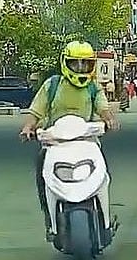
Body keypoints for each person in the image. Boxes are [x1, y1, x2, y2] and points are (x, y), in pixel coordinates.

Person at [19, 41, 120, 237]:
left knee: (103, 174)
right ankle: (50, 222)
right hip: (54, 142)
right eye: (76, 63)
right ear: (65, 63)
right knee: (42, 173)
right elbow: (36, 111)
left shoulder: (93, 87)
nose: (81, 68)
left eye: (86, 63)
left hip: (86, 141)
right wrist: (28, 128)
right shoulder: (52, 85)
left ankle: (105, 221)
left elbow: (103, 108)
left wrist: (110, 120)